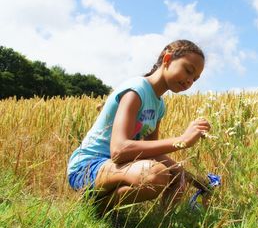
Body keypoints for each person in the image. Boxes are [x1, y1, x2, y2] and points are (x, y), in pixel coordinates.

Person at [67, 39, 211, 214]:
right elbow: (119, 151)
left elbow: (153, 153)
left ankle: (159, 224)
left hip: (115, 169)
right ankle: (97, 209)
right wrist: (182, 141)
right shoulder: (136, 90)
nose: (189, 80)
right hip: (87, 167)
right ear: (167, 59)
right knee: (156, 175)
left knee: (176, 176)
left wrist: (194, 180)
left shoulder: (159, 105)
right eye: (188, 70)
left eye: (195, 79)